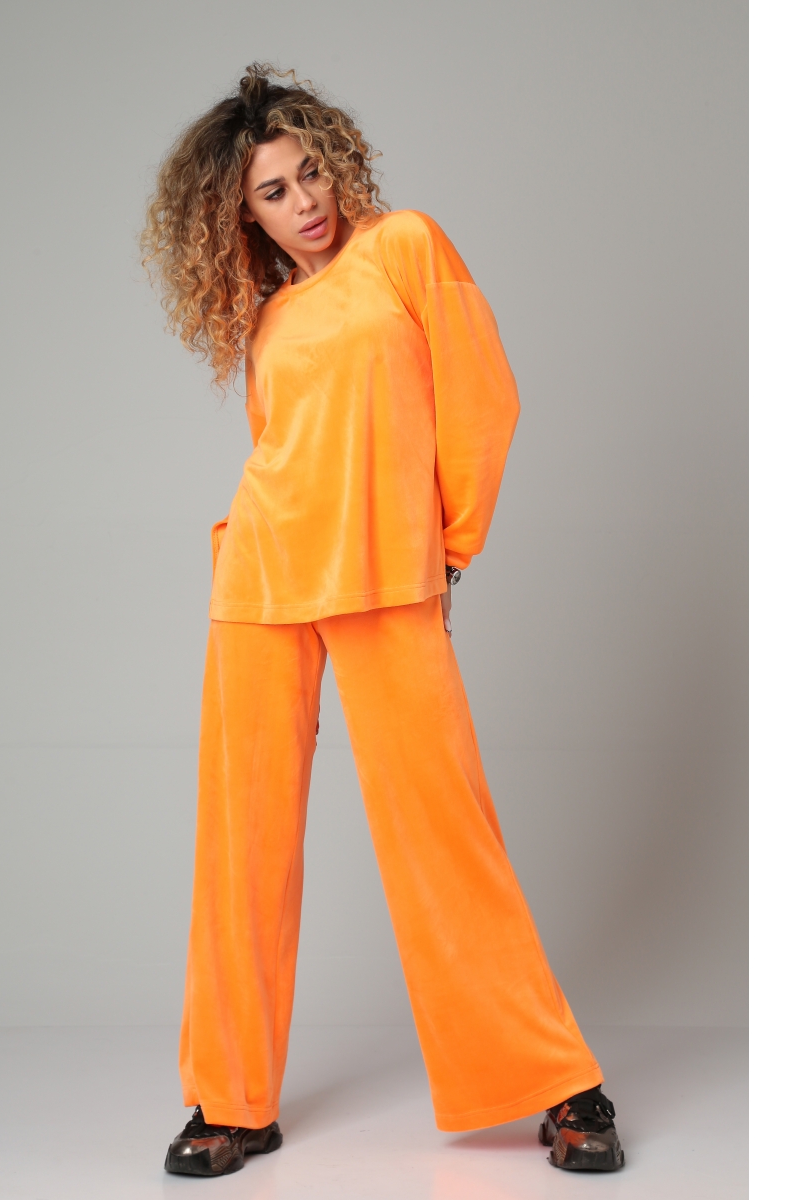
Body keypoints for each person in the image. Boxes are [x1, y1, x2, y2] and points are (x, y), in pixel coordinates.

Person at [141, 63, 625, 1178]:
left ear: (338, 164)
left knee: (444, 833)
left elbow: (484, 397)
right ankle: (229, 1098)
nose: (304, 201)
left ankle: (556, 1082)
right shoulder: (271, 319)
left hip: (384, 578)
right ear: (242, 216)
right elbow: (284, 453)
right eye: (273, 192)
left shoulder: (405, 246)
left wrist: (449, 548)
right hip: (262, 583)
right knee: (241, 845)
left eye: (311, 172)